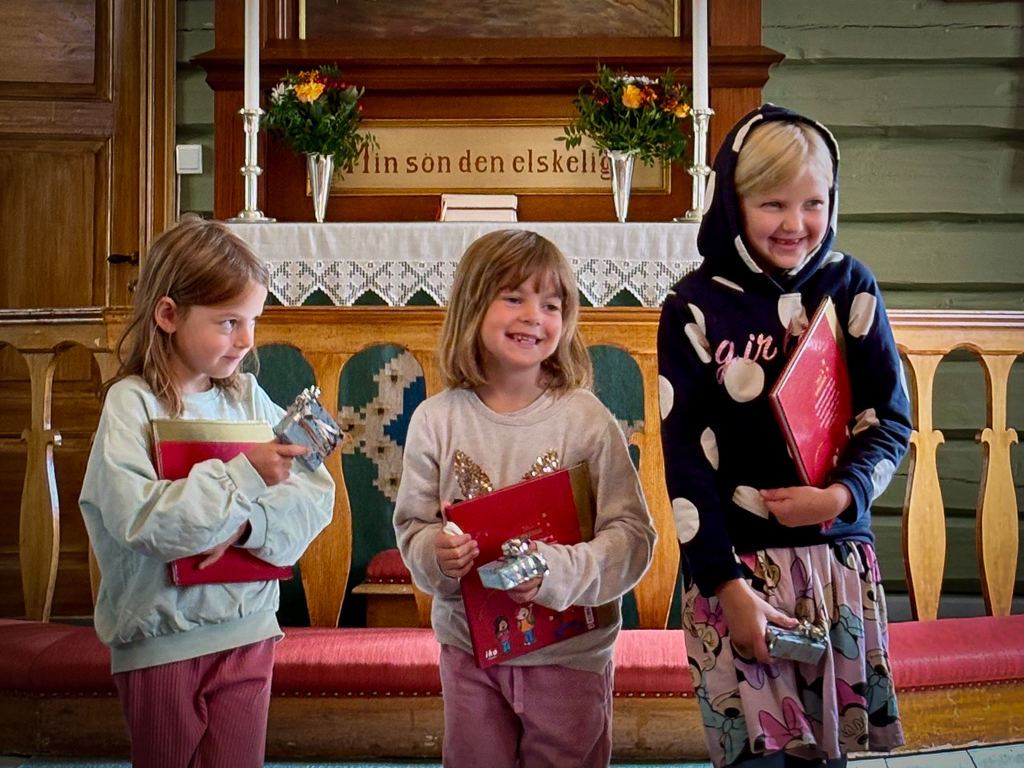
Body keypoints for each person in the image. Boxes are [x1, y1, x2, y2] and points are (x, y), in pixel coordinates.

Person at [657, 105, 911, 768]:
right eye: (773, 203)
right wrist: (728, 586)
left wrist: (838, 499)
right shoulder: (692, 305)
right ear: (732, 203)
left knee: (826, 756)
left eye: (813, 203)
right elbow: (685, 459)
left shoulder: (850, 285)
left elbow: (890, 423)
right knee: (755, 761)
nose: (795, 224)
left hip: (833, 568)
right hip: (734, 571)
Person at [79, 214, 335, 768]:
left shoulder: (246, 397)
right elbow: (141, 521)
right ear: (168, 314)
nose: (246, 340)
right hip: (163, 641)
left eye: (252, 321)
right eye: (227, 322)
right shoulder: (133, 404)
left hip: (248, 633)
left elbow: (315, 491)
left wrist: (248, 525)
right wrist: (245, 477)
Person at [394, 229, 656, 768]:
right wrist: (436, 556)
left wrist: (556, 571)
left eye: (552, 303)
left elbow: (632, 539)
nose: (535, 315)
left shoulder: (587, 421)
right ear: (472, 304)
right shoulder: (435, 421)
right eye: (514, 296)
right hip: (471, 654)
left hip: (569, 656)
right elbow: (414, 529)